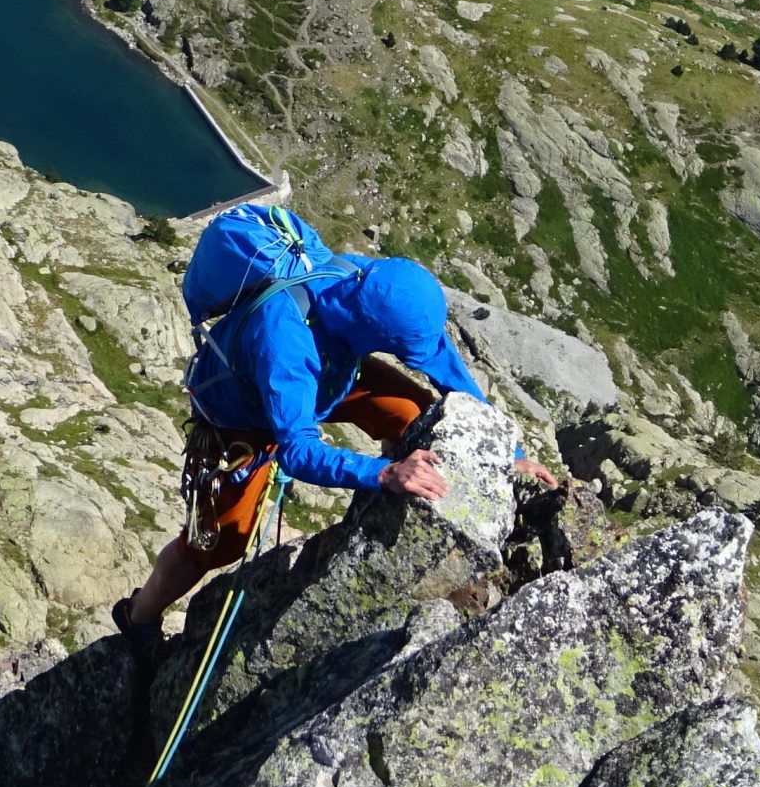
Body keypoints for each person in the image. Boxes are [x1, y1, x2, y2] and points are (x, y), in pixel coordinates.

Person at [114, 251, 557, 637]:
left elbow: (443, 362)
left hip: (333, 374)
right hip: (243, 425)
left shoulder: (369, 285)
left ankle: (414, 474)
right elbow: (297, 451)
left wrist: (508, 455)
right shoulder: (286, 339)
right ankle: (139, 618)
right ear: (373, 333)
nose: (406, 356)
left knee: (418, 413)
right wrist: (382, 474)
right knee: (219, 544)